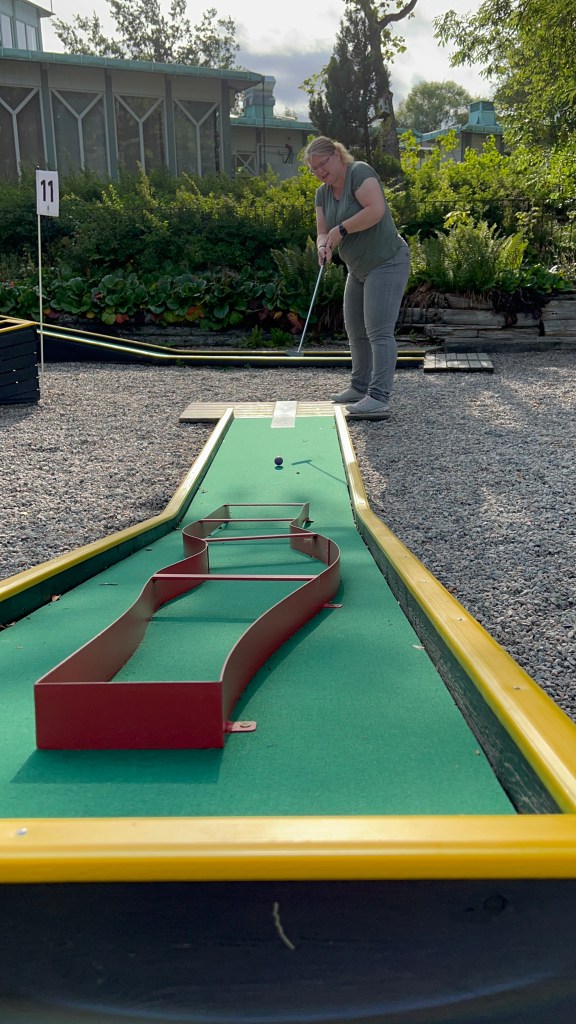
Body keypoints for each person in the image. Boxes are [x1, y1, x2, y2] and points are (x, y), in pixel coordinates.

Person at [304, 136, 410, 420]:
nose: (319, 172)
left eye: (322, 164)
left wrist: (341, 230)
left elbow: (376, 210)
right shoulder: (322, 194)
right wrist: (323, 247)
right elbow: (322, 231)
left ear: (337, 155)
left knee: (379, 331)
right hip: (358, 269)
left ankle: (379, 397)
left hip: (387, 261)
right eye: (314, 169)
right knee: (355, 329)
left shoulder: (359, 173)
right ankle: (359, 387)